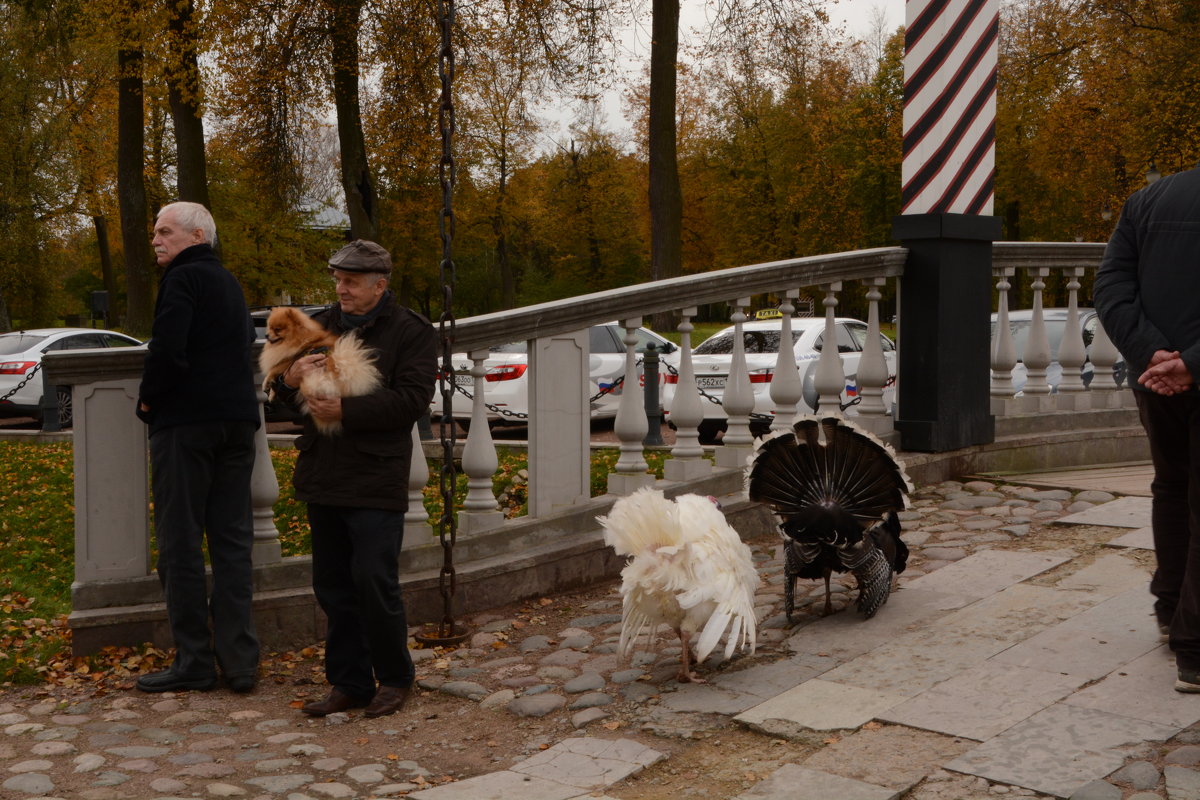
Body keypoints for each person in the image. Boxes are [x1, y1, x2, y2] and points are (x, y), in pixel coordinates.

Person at [274, 239, 437, 719]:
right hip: (323, 472)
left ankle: (393, 678)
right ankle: (348, 682)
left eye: (351, 282)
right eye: (338, 280)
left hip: (376, 473)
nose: (340, 289)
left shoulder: (410, 331)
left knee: (373, 579)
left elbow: (412, 401)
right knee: (331, 584)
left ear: (379, 285)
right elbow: (278, 394)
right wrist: (288, 380)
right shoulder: (316, 326)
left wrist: (348, 408)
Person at [135, 201, 261, 694]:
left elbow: (167, 349)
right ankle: (241, 662)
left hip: (187, 424)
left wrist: (148, 400)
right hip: (236, 423)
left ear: (195, 235)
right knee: (232, 543)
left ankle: (194, 661)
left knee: (180, 543)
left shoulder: (182, 280)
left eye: (164, 231)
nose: (155, 240)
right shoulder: (229, 282)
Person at [1094, 165, 1200, 693]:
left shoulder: (1149, 199)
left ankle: (1169, 606)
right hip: (1175, 376)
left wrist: (1150, 353)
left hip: (1154, 381)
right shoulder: (1146, 200)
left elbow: (1111, 287)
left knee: (1171, 487)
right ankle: (1195, 648)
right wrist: (1189, 365)